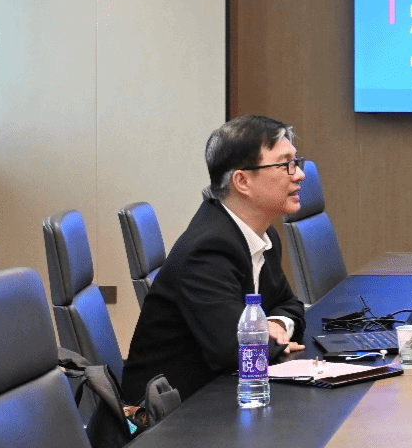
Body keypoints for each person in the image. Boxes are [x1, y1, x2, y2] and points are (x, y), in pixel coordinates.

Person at [122, 115, 307, 402]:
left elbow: (290, 305)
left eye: (296, 162)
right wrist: (266, 336)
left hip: (220, 394)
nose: (299, 175)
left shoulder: (261, 233)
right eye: (285, 165)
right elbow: (237, 350)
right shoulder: (207, 250)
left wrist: (278, 324)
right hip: (172, 414)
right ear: (242, 181)